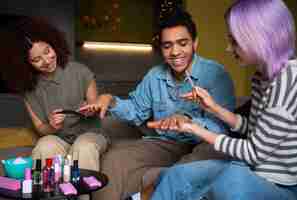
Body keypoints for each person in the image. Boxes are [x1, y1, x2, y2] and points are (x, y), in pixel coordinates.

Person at [148, 0, 297, 199]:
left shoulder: (290, 78)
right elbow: (254, 132)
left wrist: (194, 128)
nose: (229, 48)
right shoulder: (260, 77)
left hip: (284, 187)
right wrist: (214, 108)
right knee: (177, 175)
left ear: (260, 38)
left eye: (235, 41)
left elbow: (254, 152)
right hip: (255, 173)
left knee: (232, 177)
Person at [80, 9, 236, 200]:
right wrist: (111, 100)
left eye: (183, 43)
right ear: (161, 48)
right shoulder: (155, 75)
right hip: (166, 143)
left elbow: (221, 129)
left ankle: (158, 187)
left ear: (195, 43)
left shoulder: (217, 75)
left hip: (204, 144)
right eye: (167, 46)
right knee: (114, 160)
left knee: (195, 164)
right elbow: (136, 111)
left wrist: (189, 122)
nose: (175, 52)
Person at [0, 16, 109, 171]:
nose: (47, 60)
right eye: (37, 59)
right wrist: (51, 126)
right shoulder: (29, 90)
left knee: (83, 147)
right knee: (45, 146)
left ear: (54, 44)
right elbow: (40, 128)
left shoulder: (81, 71)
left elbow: (96, 106)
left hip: (90, 134)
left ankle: (81, 195)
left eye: (47, 51)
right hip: (59, 138)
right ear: (25, 64)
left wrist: (91, 109)